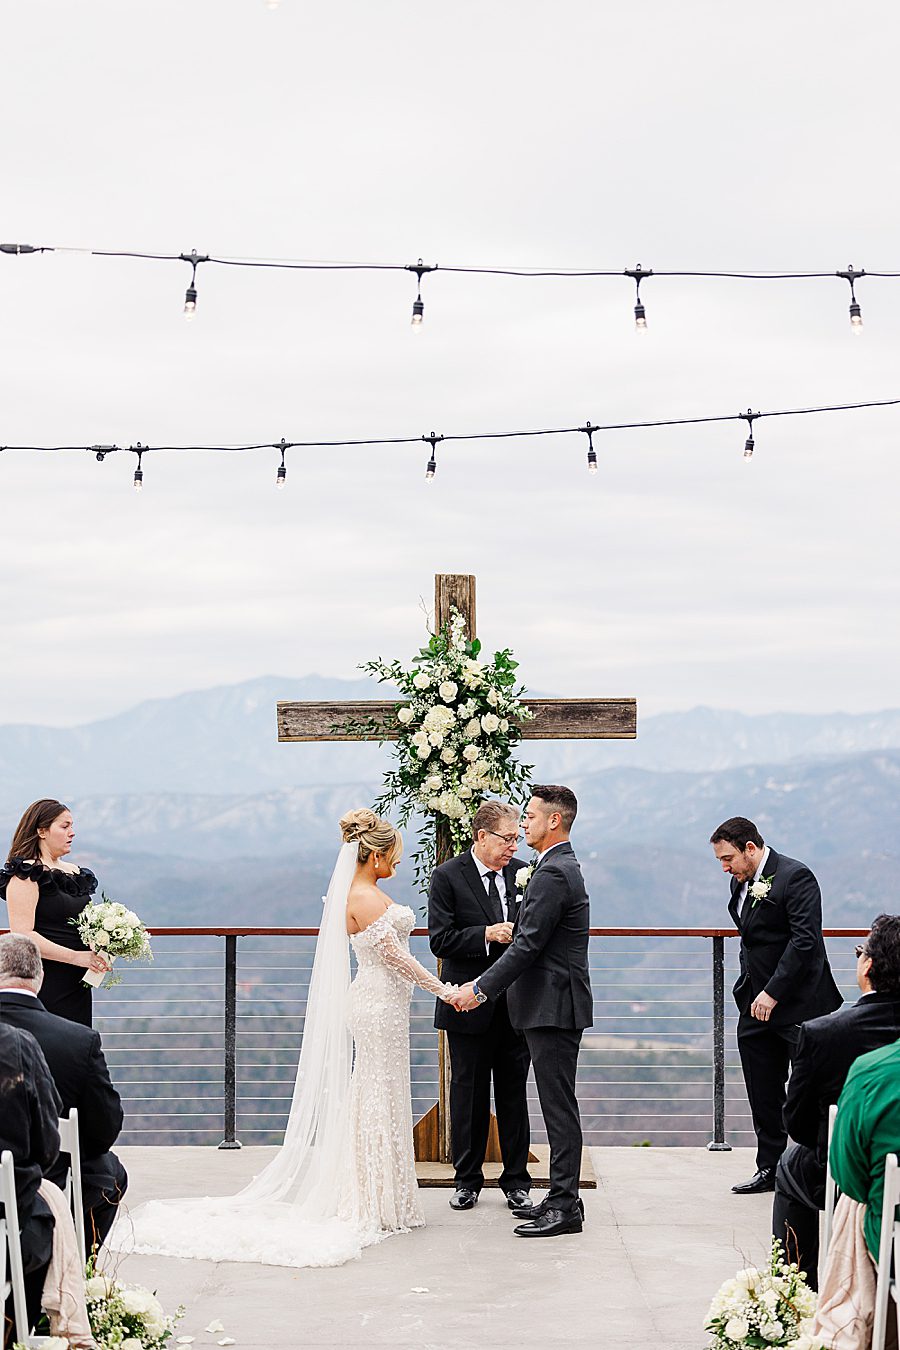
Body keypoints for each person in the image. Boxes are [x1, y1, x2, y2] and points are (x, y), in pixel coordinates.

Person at [109, 809, 457, 1268]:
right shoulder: (365, 897)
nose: (397, 861)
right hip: (376, 1005)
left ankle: (384, 1195)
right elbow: (397, 960)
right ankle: (373, 1199)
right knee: (375, 1093)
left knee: (384, 1092)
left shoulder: (367, 891)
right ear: (373, 855)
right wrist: (447, 991)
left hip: (387, 1007)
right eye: (393, 854)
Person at [450, 785, 592, 1238]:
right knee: (555, 1103)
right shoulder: (552, 867)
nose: (523, 825)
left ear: (554, 821)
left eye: (529, 817)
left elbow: (527, 944)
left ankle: (565, 1204)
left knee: (557, 1107)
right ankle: (561, 1197)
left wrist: (480, 988)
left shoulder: (552, 873)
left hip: (552, 1005)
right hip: (545, 1003)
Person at [710, 816, 842, 1194]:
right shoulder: (744, 882)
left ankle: (816, 1171)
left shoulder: (796, 877)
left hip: (799, 1005)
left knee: (811, 1092)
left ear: (750, 848)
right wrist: (752, 992)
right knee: (762, 1089)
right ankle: (769, 1167)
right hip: (754, 1005)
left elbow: (805, 942)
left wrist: (773, 992)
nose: (724, 867)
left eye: (728, 858)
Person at [773, 914, 900, 1286]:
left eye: (861, 951)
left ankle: (796, 1287)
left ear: (869, 967)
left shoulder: (823, 1034)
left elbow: (795, 1123)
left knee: (791, 1163)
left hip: (849, 1173)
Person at [428, 800, 532, 1212]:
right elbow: (440, 939)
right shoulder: (448, 876)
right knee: (467, 1094)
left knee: (513, 1095)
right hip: (466, 1003)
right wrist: (488, 933)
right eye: (506, 839)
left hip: (514, 1004)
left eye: (516, 839)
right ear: (481, 836)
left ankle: (517, 1182)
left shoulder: (524, 873)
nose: (512, 847)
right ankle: (467, 1180)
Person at [0, 933, 128, 1252]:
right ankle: (73, 1263)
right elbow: (103, 1132)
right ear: (40, 978)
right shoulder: (78, 1041)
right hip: (37, 1186)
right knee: (108, 1173)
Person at [1, 800, 110, 1026]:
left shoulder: (75, 872)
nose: (72, 833)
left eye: (72, 826)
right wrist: (76, 957)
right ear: (41, 830)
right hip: (46, 979)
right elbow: (23, 934)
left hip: (78, 980)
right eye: (65, 826)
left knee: (77, 1045)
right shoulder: (26, 874)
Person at [0, 1018, 61, 1340]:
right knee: (40, 1228)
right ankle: (15, 1335)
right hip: (6, 1236)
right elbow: (47, 1146)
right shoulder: (17, 1045)